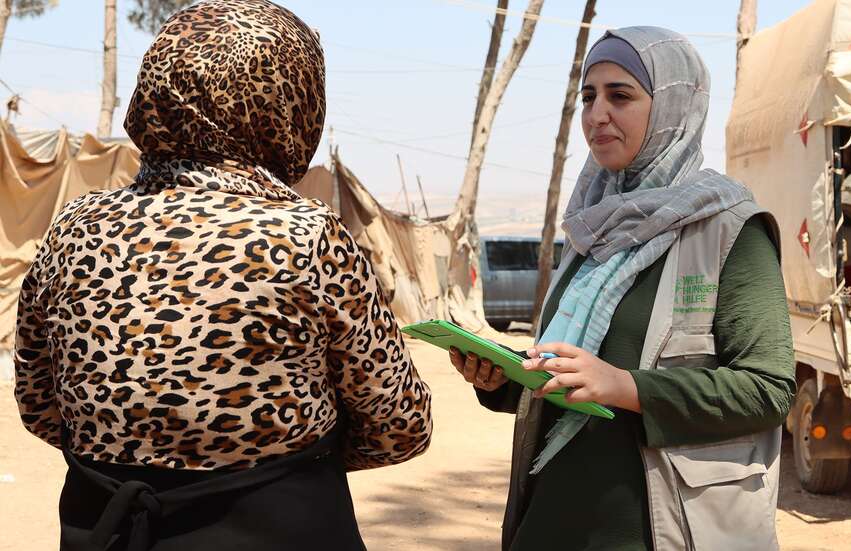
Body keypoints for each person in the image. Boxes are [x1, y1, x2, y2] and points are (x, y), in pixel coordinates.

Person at [13, 1, 431, 549]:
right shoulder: (306, 235)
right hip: (275, 526)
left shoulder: (73, 229)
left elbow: (39, 403)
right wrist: (273, 463)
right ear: (288, 102)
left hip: (106, 524)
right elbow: (399, 423)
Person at [451, 26, 794, 551]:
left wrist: (626, 387)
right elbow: (575, 378)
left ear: (675, 107)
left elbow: (766, 390)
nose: (596, 114)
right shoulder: (593, 226)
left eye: (620, 96)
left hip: (653, 530)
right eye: (588, 97)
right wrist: (502, 377)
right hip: (551, 522)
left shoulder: (729, 229)